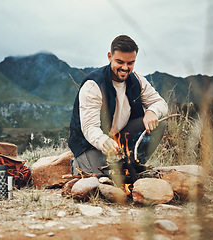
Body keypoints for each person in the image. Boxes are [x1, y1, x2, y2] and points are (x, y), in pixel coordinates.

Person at [68, 35, 168, 175]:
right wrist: (105, 142)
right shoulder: (93, 85)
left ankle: (131, 166)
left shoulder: (138, 80)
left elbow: (160, 103)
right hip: (92, 144)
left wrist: (152, 111)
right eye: (119, 62)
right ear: (110, 56)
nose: (125, 68)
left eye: (130, 63)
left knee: (159, 125)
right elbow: (90, 128)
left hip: (121, 137)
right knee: (100, 179)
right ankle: (79, 162)